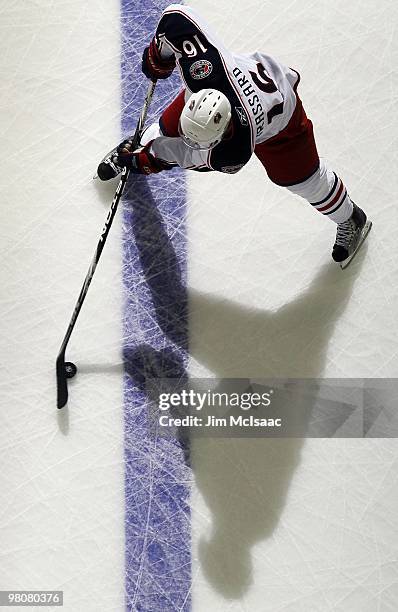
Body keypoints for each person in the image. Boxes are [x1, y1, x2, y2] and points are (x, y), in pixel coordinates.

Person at [98, 4, 371, 267]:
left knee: (302, 180)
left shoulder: (233, 152)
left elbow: (184, 154)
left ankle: (351, 218)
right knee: (169, 127)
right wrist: (159, 54)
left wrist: (150, 160)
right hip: (229, 91)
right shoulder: (204, 72)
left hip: (281, 121)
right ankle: (138, 143)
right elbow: (176, 17)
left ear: (223, 134)